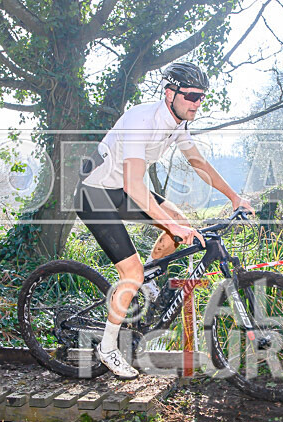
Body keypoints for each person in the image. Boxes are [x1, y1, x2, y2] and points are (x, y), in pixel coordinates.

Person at [75, 62, 255, 380]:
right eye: (192, 96)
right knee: (132, 268)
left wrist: (233, 197)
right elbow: (133, 184)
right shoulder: (140, 121)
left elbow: (198, 162)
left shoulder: (177, 123)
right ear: (170, 92)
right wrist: (172, 227)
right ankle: (106, 348)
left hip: (120, 190)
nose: (198, 103)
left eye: (202, 97)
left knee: (180, 221)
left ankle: (148, 279)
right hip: (94, 193)